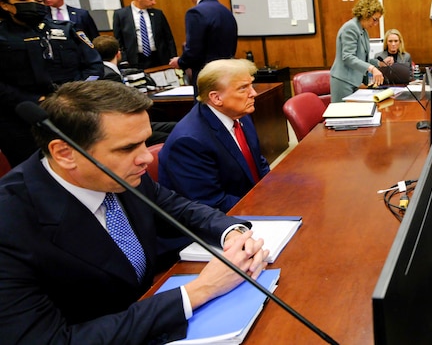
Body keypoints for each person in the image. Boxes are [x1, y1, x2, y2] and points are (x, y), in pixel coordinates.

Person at [0, 80, 269, 344]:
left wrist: (231, 233)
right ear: (64, 153)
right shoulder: (10, 224)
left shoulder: (121, 174)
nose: (147, 158)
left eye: (144, 142)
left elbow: (179, 209)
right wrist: (200, 290)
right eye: (128, 148)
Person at [0, 0, 101, 167]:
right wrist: (35, 100)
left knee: (82, 166)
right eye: (23, 0)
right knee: (37, 172)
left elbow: (95, 67)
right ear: (5, 5)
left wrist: (76, 93)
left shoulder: (67, 30)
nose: (33, 4)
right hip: (21, 120)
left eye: (38, 0)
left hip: (72, 112)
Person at [159, 59, 270, 212]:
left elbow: (258, 163)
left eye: (251, 84)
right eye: (243, 88)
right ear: (216, 98)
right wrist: (265, 207)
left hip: (250, 201)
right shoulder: (189, 141)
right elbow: (211, 202)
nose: (253, 93)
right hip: (219, 222)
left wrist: (273, 191)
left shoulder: (239, 114)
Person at [169, 0, 238, 87]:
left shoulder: (196, 13)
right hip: (227, 74)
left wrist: (180, 62)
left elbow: (194, 51)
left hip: (206, 77)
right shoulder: (225, 11)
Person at [329, 0, 385, 102]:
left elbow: (361, 58)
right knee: (342, 115)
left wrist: (378, 64)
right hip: (343, 80)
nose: (375, 24)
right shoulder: (350, 28)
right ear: (365, 14)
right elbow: (348, 57)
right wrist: (372, 69)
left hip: (354, 80)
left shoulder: (363, 31)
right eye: (375, 20)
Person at [113, 0, 177, 69]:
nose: (154, 2)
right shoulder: (121, 15)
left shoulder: (158, 14)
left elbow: (169, 38)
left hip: (158, 58)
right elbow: (118, 40)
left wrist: (173, 57)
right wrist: (123, 59)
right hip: (135, 60)